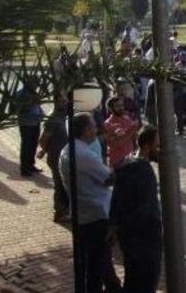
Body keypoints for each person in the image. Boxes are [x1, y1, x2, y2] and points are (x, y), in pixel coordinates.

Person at [58, 113, 114, 293]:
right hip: (95, 214)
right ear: (85, 130)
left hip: (82, 213)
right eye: (93, 126)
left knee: (97, 262)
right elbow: (108, 178)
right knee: (96, 266)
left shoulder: (67, 150)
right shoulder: (83, 155)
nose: (96, 129)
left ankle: (114, 286)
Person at [109, 127, 162, 293]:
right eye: (157, 145)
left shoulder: (125, 163)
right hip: (145, 238)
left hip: (127, 237)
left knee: (132, 279)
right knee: (147, 281)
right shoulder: (144, 171)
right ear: (146, 146)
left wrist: (118, 226)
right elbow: (145, 208)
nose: (159, 150)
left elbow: (115, 199)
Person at [36, 95, 69, 222]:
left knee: (65, 184)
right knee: (60, 185)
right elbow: (43, 140)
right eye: (62, 101)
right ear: (55, 102)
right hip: (56, 157)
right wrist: (47, 150)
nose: (65, 103)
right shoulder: (53, 118)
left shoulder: (65, 115)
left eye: (66, 101)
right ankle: (60, 212)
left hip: (64, 156)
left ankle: (66, 209)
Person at [14, 78, 44, 176]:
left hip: (35, 122)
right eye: (35, 83)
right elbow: (18, 108)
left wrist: (41, 112)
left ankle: (31, 164)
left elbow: (37, 106)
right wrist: (31, 101)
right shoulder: (21, 94)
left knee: (33, 144)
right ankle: (24, 168)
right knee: (26, 145)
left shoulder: (34, 93)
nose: (37, 86)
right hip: (26, 123)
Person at [102, 96, 141, 168]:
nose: (121, 108)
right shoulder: (108, 124)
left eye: (122, 105)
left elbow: (134, 137)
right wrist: (132, 130)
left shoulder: (127, 119)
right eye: (117, 106)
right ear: (110, 108)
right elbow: (115, 144)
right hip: (117, 163)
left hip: (130, 160)